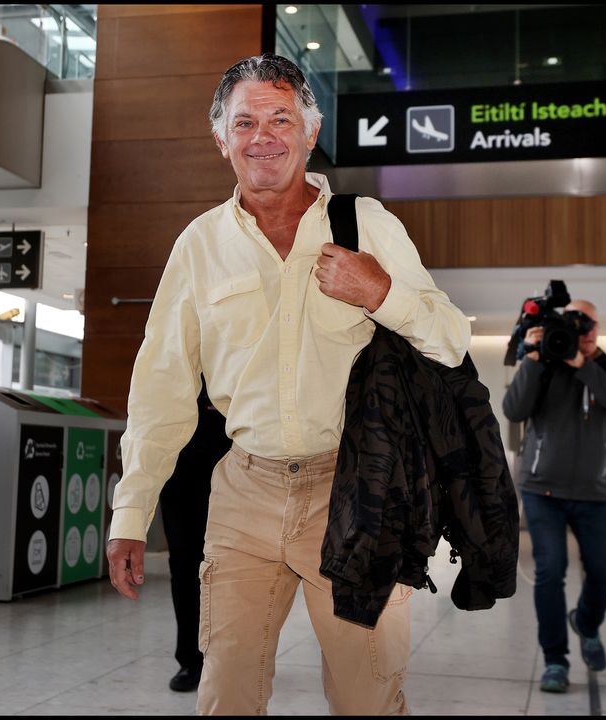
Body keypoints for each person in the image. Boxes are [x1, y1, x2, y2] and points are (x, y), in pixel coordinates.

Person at [106, 53, 470, 715]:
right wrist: (131, 513)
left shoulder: (368, 227)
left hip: (355, 491)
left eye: (281, 118)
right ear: (221, 140)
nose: (262, 135)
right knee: (225, 693)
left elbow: (450, 337)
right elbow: (160, 386)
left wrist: (381, 291)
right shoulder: (199, 245)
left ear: (311, 130)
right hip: (245, 490)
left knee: (367, 696)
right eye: (244, 122)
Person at [501, 300, 606, 694]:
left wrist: (586, 368)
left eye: (592, 323)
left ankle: (587, 623)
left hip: (594, 494)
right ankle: (555, 661)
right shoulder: (544, 367)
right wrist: (531, 358)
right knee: (550, 571)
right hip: (541, 489)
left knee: (605, 572)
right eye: (577, 323)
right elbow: (512, 409)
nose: (586, 329)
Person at [159, 377, 231, 692]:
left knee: (236, 568)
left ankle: (235, 657)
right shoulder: (171, 334)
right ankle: (191, 660)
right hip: (180, 467)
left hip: (233, 461)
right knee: (185, 563)